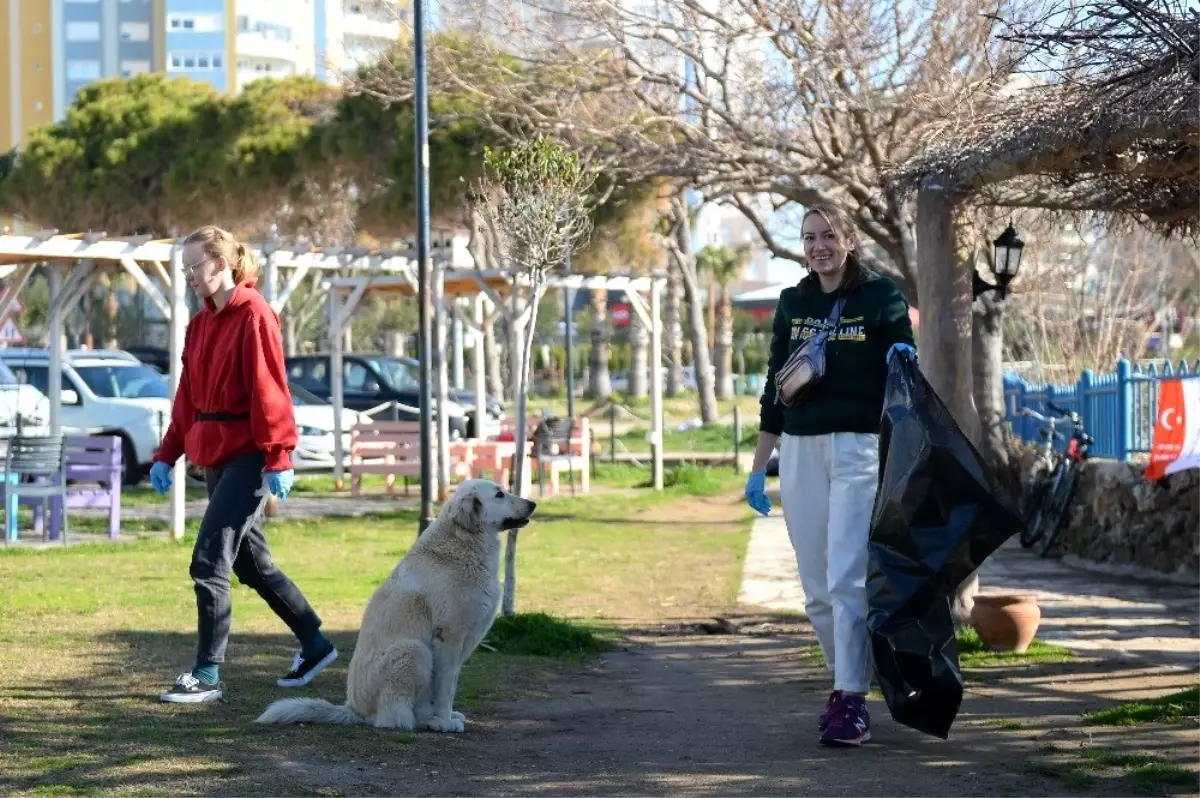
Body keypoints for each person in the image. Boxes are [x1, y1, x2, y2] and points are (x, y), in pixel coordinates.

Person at [744, 205, 915, 747]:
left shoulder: (880, 295)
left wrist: (905, 354)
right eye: (809, 237)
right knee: (816, 590)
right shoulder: (793, 302)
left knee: (846, 577)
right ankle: (844, 684)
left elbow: (905, 365)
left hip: (857, 449)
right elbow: (777, 385)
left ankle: (850, 698)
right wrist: (758, 469)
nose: (818, 246)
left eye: (828, 236)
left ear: (849, 240)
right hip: (798, 450)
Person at [151, 224, 338, 704]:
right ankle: (315, 642)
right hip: (214, 456)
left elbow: (269, 389)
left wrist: (278, 455)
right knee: (251, 565)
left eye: (195, 266)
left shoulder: (254, 313)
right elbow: (187, 398)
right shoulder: (200, 323)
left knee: (209, 559)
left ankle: (207, 674)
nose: (189, 275)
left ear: (220, 263)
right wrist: (167, 452)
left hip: (251, 456)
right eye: (186, 267)